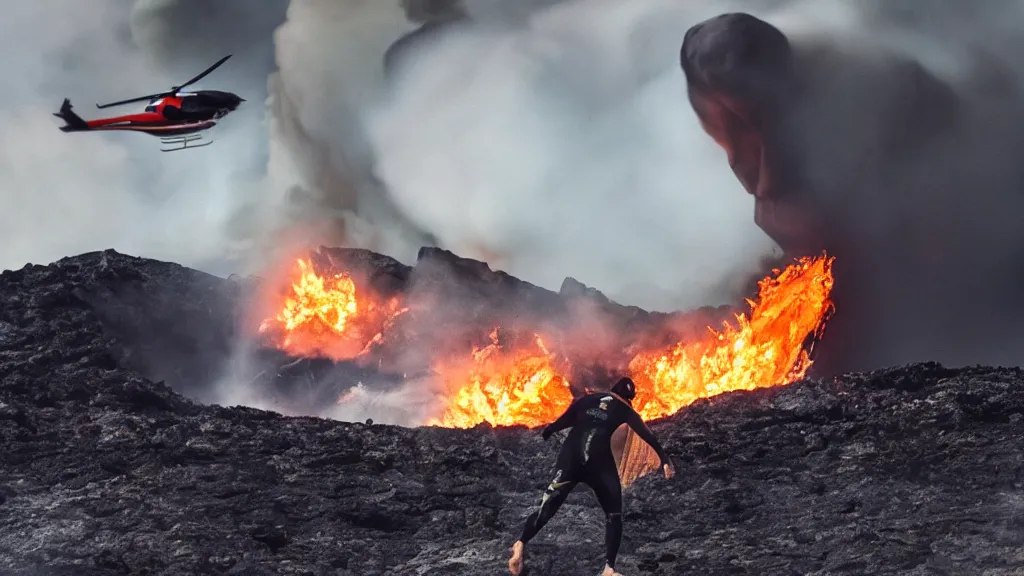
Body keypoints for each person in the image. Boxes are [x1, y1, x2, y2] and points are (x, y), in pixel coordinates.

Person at [508, 376, 675, 576]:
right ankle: (609, 569)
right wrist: (664, 459)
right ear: (628, 398)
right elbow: (646, 434)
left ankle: (520, 542)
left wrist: (550, 430)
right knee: (613, 513)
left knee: (549, 504)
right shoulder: (625, 409)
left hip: (570, 457)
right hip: (597, 461)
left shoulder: (586, 399)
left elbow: (566, 419)